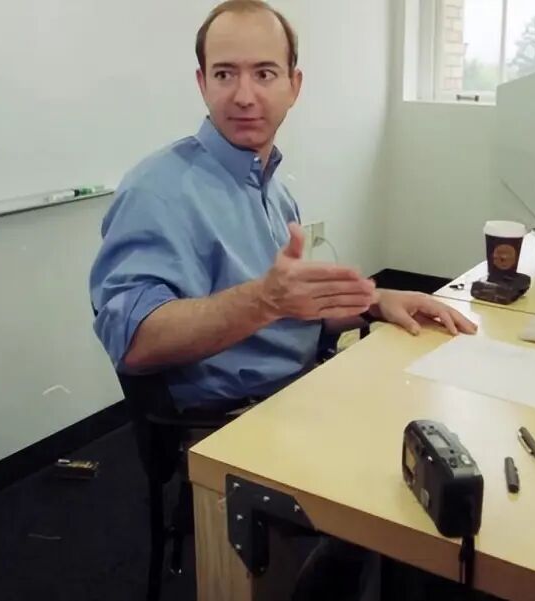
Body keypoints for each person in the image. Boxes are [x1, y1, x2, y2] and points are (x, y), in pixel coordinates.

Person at [89, 0, 476, 412]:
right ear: (203, 84)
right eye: (224, 74)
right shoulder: (156, 191)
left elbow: (291, 314)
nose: (244, 96)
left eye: (264, 73)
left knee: (440, 402)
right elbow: (133, 343)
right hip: (234, 419)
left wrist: (377, 303)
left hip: (304, 387)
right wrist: (265, 300)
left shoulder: (272, 188)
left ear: (294, 85)